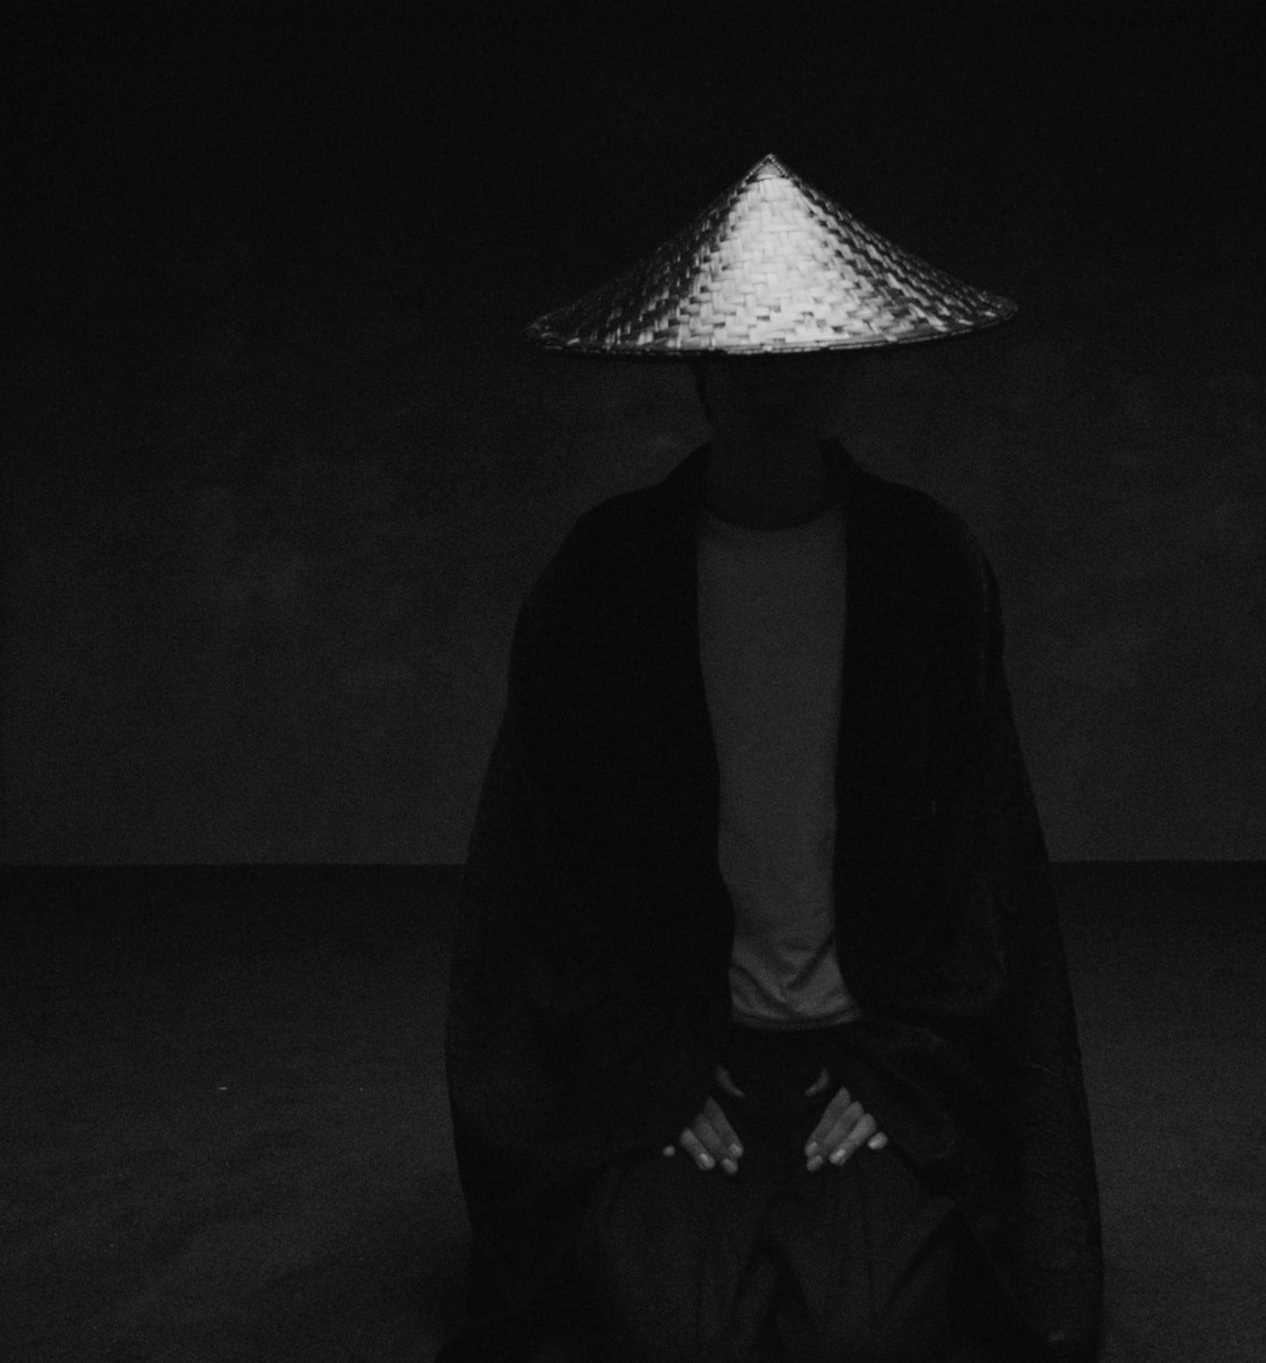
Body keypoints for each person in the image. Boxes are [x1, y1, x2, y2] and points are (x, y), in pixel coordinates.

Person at [441, 156, 1101, 1363]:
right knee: (672, 1328)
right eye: (742, 354)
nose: (771, 384)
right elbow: (542, 874)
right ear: (696, 365)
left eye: (800, 353)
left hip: (869, 1039)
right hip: (679, 1040)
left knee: (867, 1329)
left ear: (846, 365)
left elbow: (979, 863)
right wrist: (649, 1073)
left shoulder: (926, 569)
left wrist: (905, 1073)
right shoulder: (604, 578)